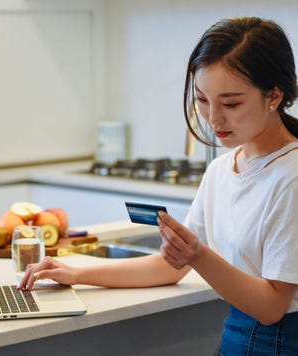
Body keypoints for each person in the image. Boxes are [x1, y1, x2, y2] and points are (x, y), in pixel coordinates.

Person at [19, 17, 298, 355]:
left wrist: (197, 254)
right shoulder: (222, 169)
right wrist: (78, 272)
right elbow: (171, 265)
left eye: (231, 103)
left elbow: (271, 308)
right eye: (202, 100)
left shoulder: (291, 176)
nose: (213, 119)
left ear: (274, 96)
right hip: (236, 341)